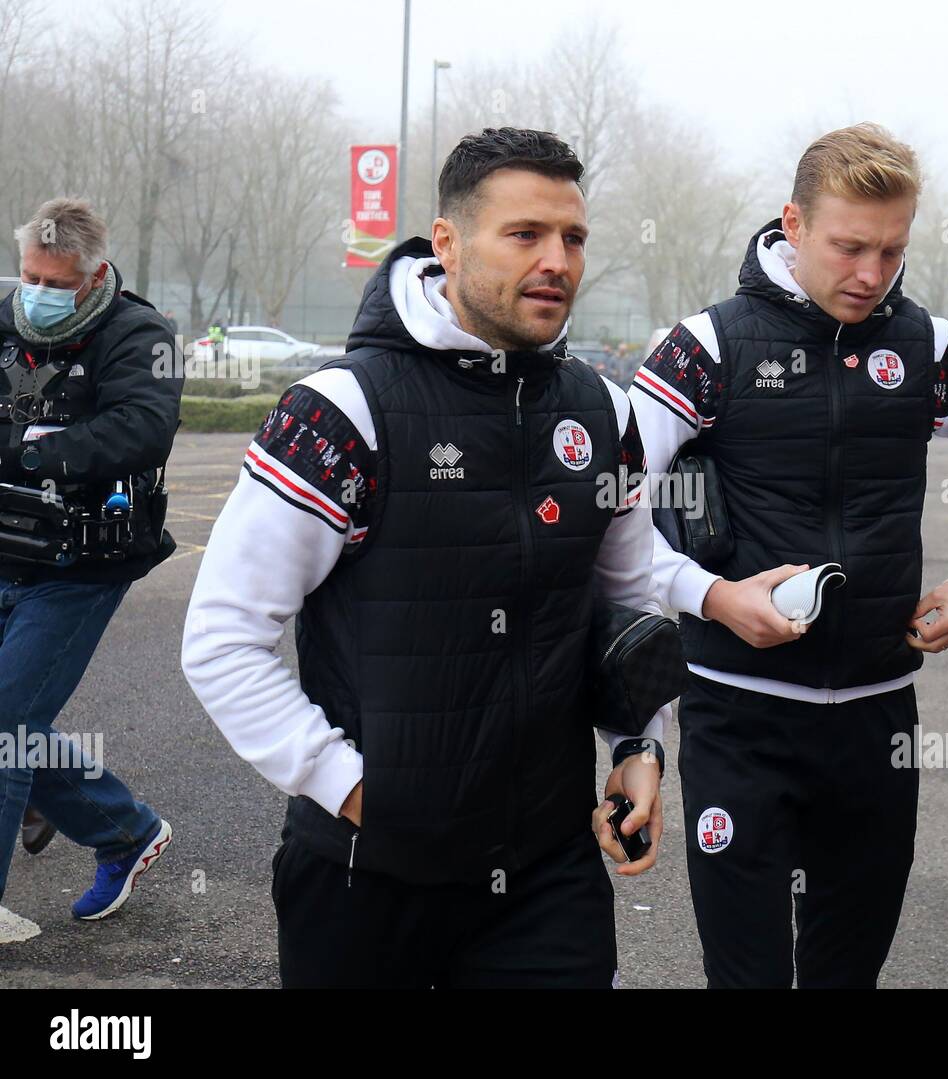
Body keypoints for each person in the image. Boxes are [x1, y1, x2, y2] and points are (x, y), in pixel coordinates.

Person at [182, 128, 668, 988]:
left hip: (548, 877)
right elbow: (223, 637)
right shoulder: (341, 411)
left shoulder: (605, 413)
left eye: (574, 237)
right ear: (446, 243)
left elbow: (628, 600)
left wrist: (641, 743)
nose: (557, 259)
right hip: (368, 877)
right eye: (525, 234)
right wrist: (353, 789)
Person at [630, 123, 948, 987]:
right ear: (792, 225)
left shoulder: (929, 347)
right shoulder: (705, 347)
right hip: (736, 716)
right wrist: (712, 597)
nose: (871, 275)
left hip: (877, 724)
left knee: (845, 976)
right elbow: (607, 513)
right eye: (849, 247)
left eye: (891, 250)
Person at [0, 198, 179, 923]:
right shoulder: (8, 316)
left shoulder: (141, 332)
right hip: (7, 544)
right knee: (15, 723)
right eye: (26, 273)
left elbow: (143, 428)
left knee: (6, 721)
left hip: (82, 564)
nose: (34, 290)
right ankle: (126, 830)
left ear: (94, 273)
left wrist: (33, 449)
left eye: (53, 280)